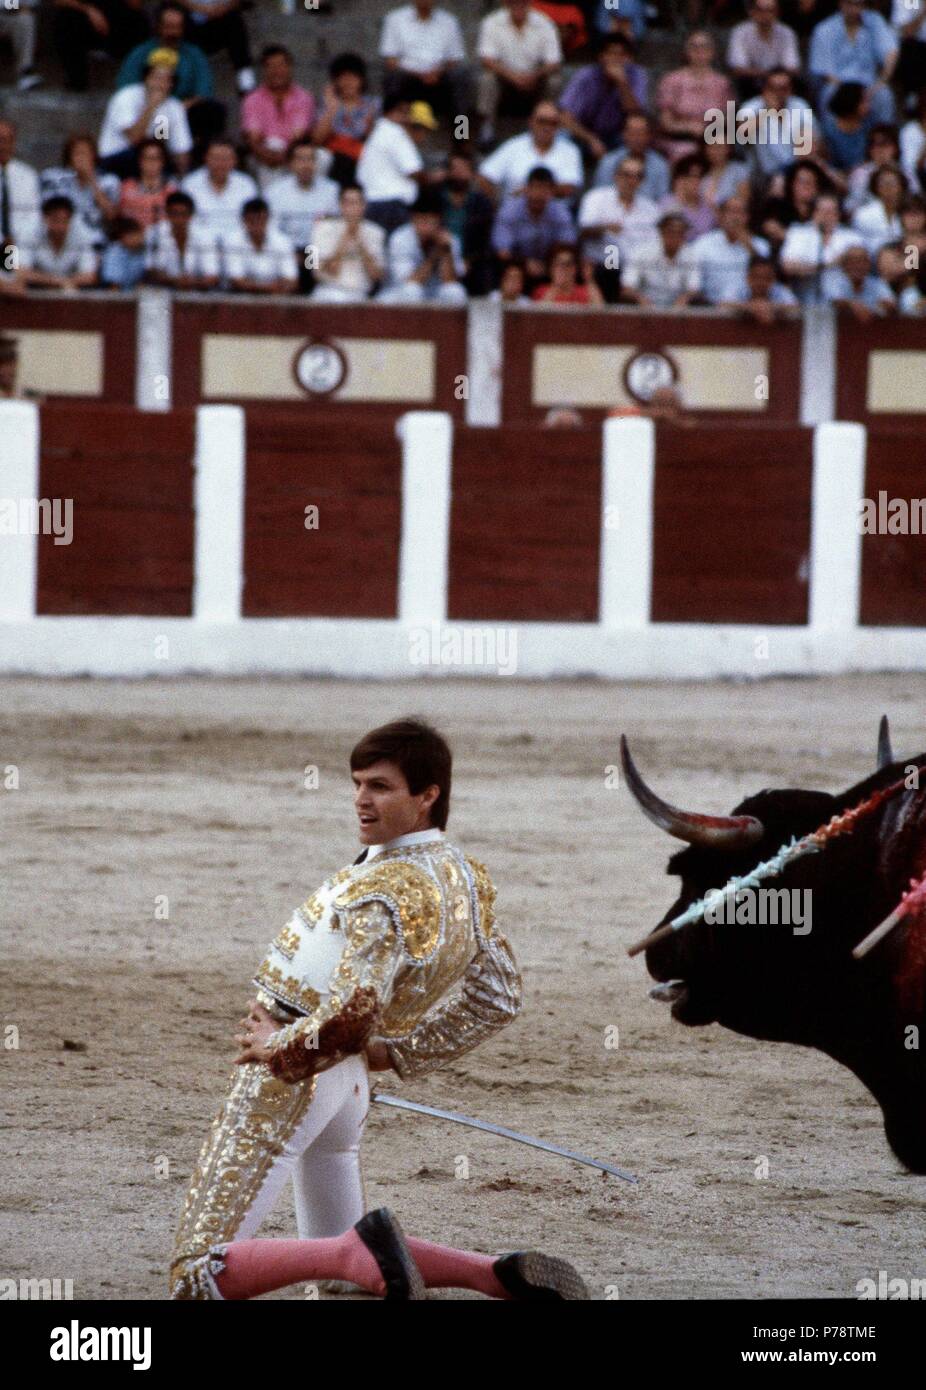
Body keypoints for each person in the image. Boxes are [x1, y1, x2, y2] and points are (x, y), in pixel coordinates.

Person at [168, 719, 548, 1302]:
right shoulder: (464, 879)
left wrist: (281, 1049)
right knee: (340, 1289)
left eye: (381, 786)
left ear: (428, 796)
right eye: (357, 784)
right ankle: (485, 1273)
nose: (361, 800)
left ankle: (353, 1254)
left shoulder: (385, 887)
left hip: (295, 1076)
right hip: (345, 1086)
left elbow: (354, 1009)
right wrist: (390, 1052)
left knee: (196, 1275)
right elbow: (499, 996)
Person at [117, 2, 225, 153]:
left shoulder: (193, 54)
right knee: (162, 127)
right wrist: (153, 104)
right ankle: (159, 157)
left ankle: (196, 160)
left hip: (179, 110)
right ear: (158, 27)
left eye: (177, 27)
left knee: (209, 112)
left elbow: (204, 92)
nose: (173, 32)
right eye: (168, 26)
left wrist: (176, 109)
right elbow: (126, 88)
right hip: (148, 111)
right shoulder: (140, 53)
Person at [476, 0, 562, 148]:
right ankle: (486, 129)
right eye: (514, 2)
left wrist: (534, 76)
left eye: (522, 2)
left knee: (554, 81)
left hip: (534, 80)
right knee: (487, 79)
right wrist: (512, 77)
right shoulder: (491, 22)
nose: (518, 5)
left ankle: (548, 125)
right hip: (504, 80)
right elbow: (486, 59)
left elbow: (554, 61)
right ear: (505, 3)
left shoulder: (544, 22)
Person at [98, 52, 193, 178]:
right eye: (156, 78)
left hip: (147, 160)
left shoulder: (170, 106)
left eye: (166, 80)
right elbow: (134, 138)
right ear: (146, 78)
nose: (160, 84)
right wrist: (151, 106)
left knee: (160, 160)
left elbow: (160, 141)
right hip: (116, 158)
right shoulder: (126, 97)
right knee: (144, 156)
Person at [578, 153, 659, 300]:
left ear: (642, 181)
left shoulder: (651, 209)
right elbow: (583, 231)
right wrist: (604, 228)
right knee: (610, 265)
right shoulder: (596, 198)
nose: (631, 180)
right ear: (616, 176)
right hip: (604, 267)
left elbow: (654, 245)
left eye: (638, 176)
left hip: (638, 272)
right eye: (626, 175)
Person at [558, 34, 647, 164]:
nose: (616, 59)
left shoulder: (637, 75)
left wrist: (622, 83)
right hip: (585, 135)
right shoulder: (585, 76)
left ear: (629, 58)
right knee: (562, 138)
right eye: (611, 54)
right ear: (601, 57)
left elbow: (636, 115)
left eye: (621, 55)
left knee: (638, 137)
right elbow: (565, 117)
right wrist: (591, 139)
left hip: (618, 137)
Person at [357, 92, 438, 234]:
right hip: (392, 207)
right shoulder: (396, 133)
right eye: (405, 112)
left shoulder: (380, 131)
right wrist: (435, 177)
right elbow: (414, 172)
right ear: (396, 111)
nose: (407, 118)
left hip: (373, 204)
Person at [809, 0, 898, 126]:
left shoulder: (875, 21)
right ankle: (831, 137)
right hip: (839, 85)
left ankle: (883, 136)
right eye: (852, 4)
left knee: (884, 94)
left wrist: (882, 81)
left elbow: (890, 52)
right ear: (841, 4)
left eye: (860, 5)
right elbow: (825, 71)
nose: (856, 9)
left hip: (869, 84)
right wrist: (852, 94)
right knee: (829, 93)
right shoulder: (824, 29)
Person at [267, 139, 340, 290]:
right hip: (288, 249)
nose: (306, 165)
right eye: (301, 159)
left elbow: (335, 227)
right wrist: (290, 253)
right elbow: (272, 230)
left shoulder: (331, 190)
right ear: (290, 163)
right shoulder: (275, 191)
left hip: (317, 249)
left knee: (314, 262)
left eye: (311, 159)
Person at [242, 45, 316, 191]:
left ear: (290, 67)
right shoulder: (253, 99)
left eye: (281, 65)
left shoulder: (303, 97)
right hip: (264, 154)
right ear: (264, 70)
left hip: (294, 152)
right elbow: (253, 139)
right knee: (273, 143)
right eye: (271, 66)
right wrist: (270, 156)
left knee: (323, 157)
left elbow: (299, 136)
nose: (276, 71)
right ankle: (271, 203)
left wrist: (284, 157)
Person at [492, 165, 576, 291]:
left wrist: (547, 265)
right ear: (526, 189)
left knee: (566, 263)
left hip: (548, 267)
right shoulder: (510, 210)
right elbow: (503, 251)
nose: (539, 194)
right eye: (536, 187)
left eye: (545, 189)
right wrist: (526, 263)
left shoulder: (560, 212)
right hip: (516, 264)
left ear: (552, 192)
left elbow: (567, 246)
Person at [478, 100, 583, 202]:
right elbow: (485, 176)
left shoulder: (570, 150)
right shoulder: (513, 146)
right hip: (514, 214)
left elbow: (570, 188)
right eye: (542, 121)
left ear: (559, 126)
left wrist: (532, 193)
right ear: (531, 121)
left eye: (552, 123)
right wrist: (498, 206)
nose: (546, 127)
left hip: (554, 216)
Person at [656, 31, 733, 165]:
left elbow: (728, 120)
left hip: (711, 140)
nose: (699, 51)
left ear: (712, 52)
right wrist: (689, 127)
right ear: (686, 51)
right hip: (679, 140)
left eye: (704, 46)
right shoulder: (672, 80)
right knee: (686, 152)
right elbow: (665, 122)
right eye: (694, 47)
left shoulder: (722, 83)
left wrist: (709, 130)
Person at [379, 0, 468, 116]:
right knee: (393, 77)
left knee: (460, 76)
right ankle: (389, 128)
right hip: (408, 78)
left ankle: (461, 132)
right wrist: (418, 75)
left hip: (439, 78)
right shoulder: (395, 19)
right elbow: (390, 59)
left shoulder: (449, 21)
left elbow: (454, 59)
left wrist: (437, 73)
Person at [379, 190, 467, 303]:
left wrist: (446, 251)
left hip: (434, 293)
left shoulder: (449, 240)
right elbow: (410, 281)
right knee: (412, 291)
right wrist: (434, 255)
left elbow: (450, 281)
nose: (424, 226)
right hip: (398, 293)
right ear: (412, 219)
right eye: (420, 220)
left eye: (429, 221)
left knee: (455, 291)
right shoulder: (400, 238)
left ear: (438, 221)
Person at [40, 134, 120, 251]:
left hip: (95, 242)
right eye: (77, 153)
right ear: (69, 157)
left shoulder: (109, 181)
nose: (82, 158)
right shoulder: (53, 178)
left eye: (86, 153)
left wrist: (91, 180)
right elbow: (47, 211)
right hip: (63, 239)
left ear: (94, 156)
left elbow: (111, 216)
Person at [780, 191, 863, 302]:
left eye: (830, 212)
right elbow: (788, 266)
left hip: (843, 301)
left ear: (838, 214)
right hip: (807, 300)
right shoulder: (798, 233)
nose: (825, 216)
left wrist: (807, 267)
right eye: (821, 211)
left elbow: (859, 267)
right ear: (813, 213)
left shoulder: (852, 237)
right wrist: (828, 264)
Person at [313, 53, 381, 189]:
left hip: (361, 156)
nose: (348, 82)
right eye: (343, 77)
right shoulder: (327, 103)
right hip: (334, 158)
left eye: (353, 77)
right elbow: (316, 140)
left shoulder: (374, 104)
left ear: (361, 79)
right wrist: (332, 109)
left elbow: (376, 140)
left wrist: (369, 127)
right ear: (335, 81)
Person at [736, 68, 816, 181]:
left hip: (796, 171)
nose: (778, 92)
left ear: (790, 89)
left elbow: (810, 144)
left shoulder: (800, 105)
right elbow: (742, 135)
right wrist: (768, 110)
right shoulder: (751, 106)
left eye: (783, 88)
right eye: (773, 88)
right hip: (763, 174)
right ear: (764, 89)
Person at [53, 0, 150, 93]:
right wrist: (88, 9)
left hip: (120, 23)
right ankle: (77, 80)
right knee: (65, 20)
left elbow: (136, 5)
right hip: (87, 19)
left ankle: (135, 80)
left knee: (141, 26)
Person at [311, 184, 385, 302]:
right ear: (340, 205)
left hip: (360, 293)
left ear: (364, 206)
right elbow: (315, 271)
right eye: (347, 203)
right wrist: (344, 239)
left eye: (356, 203)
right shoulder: (321, 228)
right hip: (328, 291)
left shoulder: (376, 232)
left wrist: (361, 244)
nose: (351, 208)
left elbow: (377, 276)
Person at [692, 195, 770, 303]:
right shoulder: (702, 245)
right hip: (712, 309)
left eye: (740, 212)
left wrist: (750, 247)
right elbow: (694, 285)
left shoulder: (761, 245)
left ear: (747, 217)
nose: (735, 217)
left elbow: (765, 278)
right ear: (721, 216)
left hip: (748, 309)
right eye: (731, 212)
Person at [181, 138, 257, 247]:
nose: (221, 163)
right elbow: (186, 221)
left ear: (235, 160)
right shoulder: (190, 184)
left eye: (225, 158)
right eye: (216, 158)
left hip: (237, 246)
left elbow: (251, 219)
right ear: (206, 158)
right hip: (201, 245)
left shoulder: (246, 185)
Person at [439, 151, 495, 295]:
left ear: (472, 174)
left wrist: (469, 259)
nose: (458, 173)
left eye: (463, 169)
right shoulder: (436, 198)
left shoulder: (481, 203)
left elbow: (485, 239)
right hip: (438, 255)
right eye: (454, 168)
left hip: (471, 260)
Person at [620, 211, 701, 308]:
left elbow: (694, 289)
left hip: (678, 309)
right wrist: (640, 299)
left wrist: (685, 298)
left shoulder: (691, 255)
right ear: (661, 232)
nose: (675, 236)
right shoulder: (641, 252)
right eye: (671, 232)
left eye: (680, 233)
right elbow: (627, 287)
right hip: (644, 308)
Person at [174, 0, 255, 95]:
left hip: (223, 20)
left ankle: (245, 77)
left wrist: (220, 9)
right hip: (194, 26)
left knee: (234, 21)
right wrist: (203, 9)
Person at [145, 188, 220, 289]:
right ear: (167, 213)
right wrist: (175, 281)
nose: (179, 219)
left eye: (184, 214)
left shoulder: (205, 236)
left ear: (191, 215)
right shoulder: (154, 232)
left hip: (198, 293)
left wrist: (191, 283)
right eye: (174, 214)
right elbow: (150, 271)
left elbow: (213, 277)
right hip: (164, 291)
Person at [19, 195, 98, 291]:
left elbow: (90, 276)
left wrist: (64, 284)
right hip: (37, 291)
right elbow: (20, 272)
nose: (60, 226)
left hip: (72, 293)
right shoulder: (28, 232)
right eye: (55, 220)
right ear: (45, 218)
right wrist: (60, 282)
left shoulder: (83, 234)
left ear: (71, 219)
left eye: (65, 220)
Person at [727, 0, 801, 99]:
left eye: (770, 10)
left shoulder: (787, 33)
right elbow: (737, 68)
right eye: (761, 10)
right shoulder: (740, 32)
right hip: (750, 85)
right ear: (751, 12)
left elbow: (793, 68)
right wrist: (767, 75)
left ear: (777, 13)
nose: (765, 14)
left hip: (780, 82)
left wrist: (773, 78)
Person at [224, 196, 298, 295]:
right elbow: (236, 282)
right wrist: (271, 287)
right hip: (241, 298)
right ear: (243, 220)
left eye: (261, 220)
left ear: (268, 219)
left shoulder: (283, 241)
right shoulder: (232, 241)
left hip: (275, 298)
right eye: (252, 220)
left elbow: (292, 281)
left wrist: (257, 287)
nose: (257, 225)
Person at [593, 112, 671, 203]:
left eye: (641, 133)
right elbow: (599, 195)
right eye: (632, 132)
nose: (636, 138)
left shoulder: (660, 165)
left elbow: (662, 200)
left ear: (650, 135)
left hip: (648, 213)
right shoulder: (608, 161)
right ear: (624, 134)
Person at [0, 118, 41, 259]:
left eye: (8, 140)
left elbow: (33, 215)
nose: (3, 145)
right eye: (0, 140)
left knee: (17, 271)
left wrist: (13, 239)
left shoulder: (28, 176)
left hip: (19, 245)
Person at [821, 240, 896, 316]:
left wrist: (870, 308)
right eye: (853, 262)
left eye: (863, 261)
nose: (859, 266)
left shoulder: (878, 283)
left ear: (869, 264)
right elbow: (834, 302)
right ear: (844, 265)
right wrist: (851, 305)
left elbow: (890, 303)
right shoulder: (833, 282)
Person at [117, 138, 177, 229]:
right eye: (147, 158)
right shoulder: (126, 187)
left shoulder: (172, 191)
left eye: (156, 158)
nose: (152, 162)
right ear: (139, 161)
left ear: (163, 162)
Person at [819, 81, 878, 172]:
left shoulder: (871, 123)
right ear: (852, 102)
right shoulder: (828, 129)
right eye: (864, 101)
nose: (869, 105)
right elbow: (829, 162)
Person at [845, 124, 901, 213]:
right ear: (869, 149)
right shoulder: (860, 174)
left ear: (895, 148)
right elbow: (851, 206)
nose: (880, 149)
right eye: (875, 145)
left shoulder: (905, 171)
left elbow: (914, 201)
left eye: (885, 144)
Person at [659, 153, 715, 241]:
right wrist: (680, 201)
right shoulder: (667, 203)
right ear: (680, 179)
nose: (696, 181)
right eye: (692, 176)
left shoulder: (708, 206)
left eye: (700, 177)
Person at [852, 164, 907, 253]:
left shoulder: (910, 211)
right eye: (883, 183)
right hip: (873, 260)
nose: (888, 187)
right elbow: (858, 244)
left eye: (892, 183)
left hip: (907, 260)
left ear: (901, 186)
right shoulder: (863, 214)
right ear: (876, 187)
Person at [732, 254, 799, 321]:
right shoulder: (738, 288)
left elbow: (796, 309)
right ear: (748, 277)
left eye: (767, 278)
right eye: (756, 277)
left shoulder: (781, 290)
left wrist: (772, 308)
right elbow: (723, 306)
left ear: (774, 279)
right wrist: (750, 307)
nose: (761, 282)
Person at [532, 241, 604, 303]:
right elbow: (540, 315)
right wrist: (556, 285)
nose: (563, 268)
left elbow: (600, 313)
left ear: (575, 268)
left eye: (568, 264)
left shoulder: (585, 291)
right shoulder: (541, 291)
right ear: (551, 268)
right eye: (558, 264)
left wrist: (588, 278)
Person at [700, 133, 749, 216]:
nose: (716, 151)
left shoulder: (739, 170)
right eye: (712, 147)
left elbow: (744, 201)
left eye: (720, 147)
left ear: (728, 148)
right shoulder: (701, 175)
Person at [0, 0, 41, 92]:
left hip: (8, 16)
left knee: (26, 19)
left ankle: (24, 72)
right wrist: (16, 5)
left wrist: (19, 6)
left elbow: (32, 3)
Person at [891, 0, 926, 105]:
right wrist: (924, 11)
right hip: (914, 50)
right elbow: (907, 32)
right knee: (911, 48)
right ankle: (912, 101)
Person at [99, 215, 147, 289]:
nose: (137, 238)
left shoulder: (147, 250)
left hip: (138, 294)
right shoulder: (114, 253)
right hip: (117, 296)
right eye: (131, 235)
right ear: (122, 238)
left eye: (138, 233)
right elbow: (114, 287)